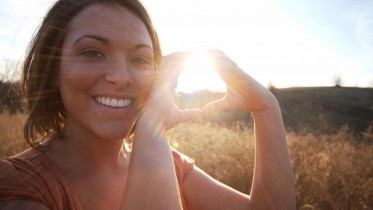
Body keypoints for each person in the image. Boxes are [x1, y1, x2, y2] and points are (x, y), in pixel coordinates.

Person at [0, 0, 295, 209]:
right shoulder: (17, 186)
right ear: (52, 71)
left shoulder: (172, 165)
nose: (120, 77)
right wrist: (152, 124)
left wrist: (265, 107)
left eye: (140, 59)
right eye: (92, 53)